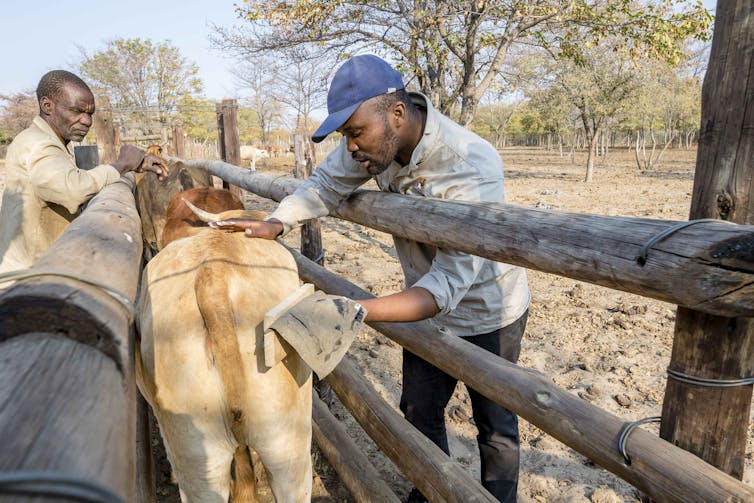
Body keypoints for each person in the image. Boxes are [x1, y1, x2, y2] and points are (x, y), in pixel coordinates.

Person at [212, 54, 530, 502]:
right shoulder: (372, 147)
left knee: (495, 423)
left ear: (396, 114)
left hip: (487, 309)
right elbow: (324, 185)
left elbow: (448, 284)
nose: (351, 146)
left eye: (355, 132)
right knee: (419, 410)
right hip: (421, 305)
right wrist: (277, 221)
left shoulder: (469, 164)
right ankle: (429, 491)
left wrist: (353, 310)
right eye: (345, 136)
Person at [0, 70, 168, 273]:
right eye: (77, 111)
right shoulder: (40, 145)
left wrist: (129, 166)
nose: (87, 121)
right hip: (28, 280)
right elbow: (72, 189)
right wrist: (121, 165)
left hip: (40, 270)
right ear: (47, 106)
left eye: (89, 114)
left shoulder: (48, 141)